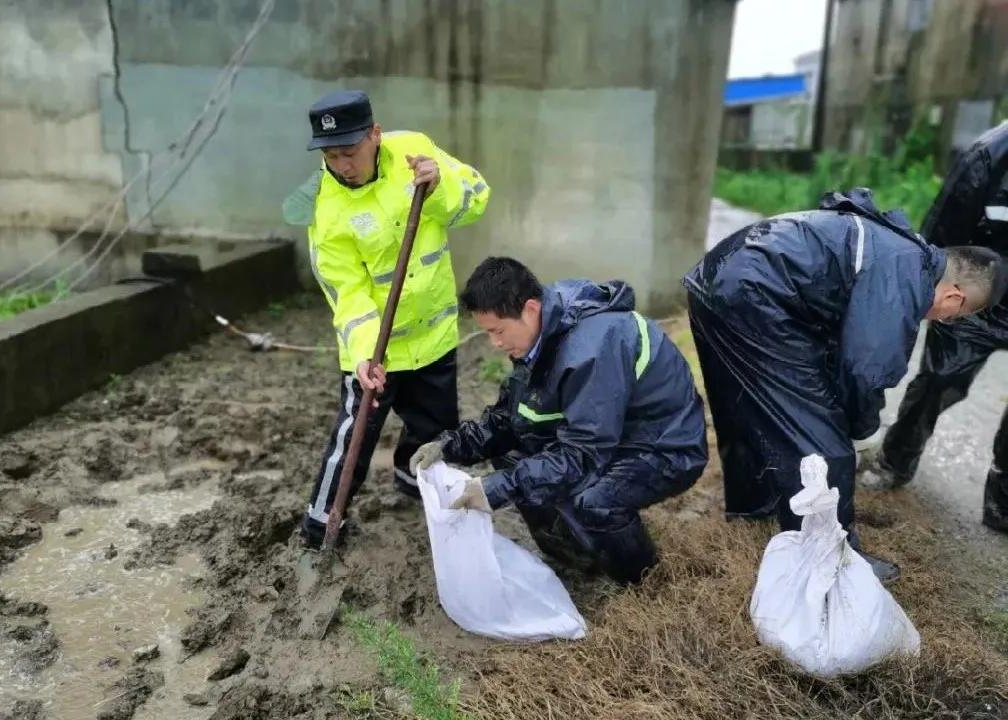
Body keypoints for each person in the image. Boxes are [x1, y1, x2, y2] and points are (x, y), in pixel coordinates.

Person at [683, 187, 1007, 582]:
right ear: (956, 298)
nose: (941, 320)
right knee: (824, 439)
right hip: (754, 295)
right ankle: (835, 555)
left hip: (717, 279)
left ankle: (753, 504)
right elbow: (866, 370)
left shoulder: (905, 253)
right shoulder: (905, 278)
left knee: (744, 404)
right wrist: (857, 428)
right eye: (954, 316)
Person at [411, 257, 708, 585]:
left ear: (530, 309)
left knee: (596, 502)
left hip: (664, 444)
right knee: (513, 455)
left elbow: (583, 454)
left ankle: (644, 581)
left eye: (497, 331)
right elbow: (513, 418)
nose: (495, 343)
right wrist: (449, 445)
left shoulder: (589, 352)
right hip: (611, 431)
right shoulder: (540, 335)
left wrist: (498, 487)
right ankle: (577, 555)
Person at [282, 90, 490, 549]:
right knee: (354, 435)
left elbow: (477, 198)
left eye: (350, 152)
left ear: (374, 135)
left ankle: (408, 476)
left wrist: (439, 187)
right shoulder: (327, 211)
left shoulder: (415, 152)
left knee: (434, 428)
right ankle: (320, 524)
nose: (342, 165)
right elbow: (348, 294)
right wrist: (363, 357)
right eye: (331, 156)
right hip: (376, 351)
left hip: (434, 338)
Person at [867, 122, 1008, 531]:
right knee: (939, 380)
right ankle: (896, 459)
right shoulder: (990, 156)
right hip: (977, 294)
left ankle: (1003, 499)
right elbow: (940, 235)